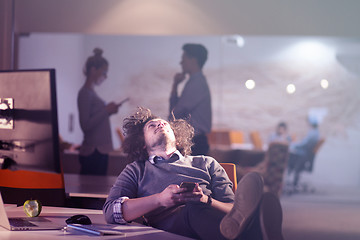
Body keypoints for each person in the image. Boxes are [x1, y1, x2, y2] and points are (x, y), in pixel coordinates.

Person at [103, 107, 284, 240]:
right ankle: (255, 233)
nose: (160, 123)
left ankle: (245, 232)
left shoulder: (207, 163)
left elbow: (234, 210)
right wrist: (159, 199)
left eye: (164, 123)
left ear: (176, 135)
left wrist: (206, 200)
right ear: (142, 143)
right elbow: (111, 211)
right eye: (152, 125)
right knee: (192, 208)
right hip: (171, 227)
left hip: (212, 217)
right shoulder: (136, 170)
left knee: (198, 206)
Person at [77, 48, 123, 175]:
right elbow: (85, 125)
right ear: (93, 70)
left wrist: (107, 111)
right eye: (104, 72)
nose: (105, 76)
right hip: (93, 152)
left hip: (98, 151)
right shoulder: (85, 93)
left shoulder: (91, 93)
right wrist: (106, 111)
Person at [169, 43, 212, 156]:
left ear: (193, 60)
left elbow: (175, 113)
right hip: (194, 141)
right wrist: (175, 85)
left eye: (184, 58)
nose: (181, 63)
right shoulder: (195, 82)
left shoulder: (196, 83)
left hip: (195, 142)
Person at [287, 115, 320, 188]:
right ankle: (292, 182)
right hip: (305, 155)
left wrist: (293, 145)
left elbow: (303, 144)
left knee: (288, 157)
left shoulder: (312, 133)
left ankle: (289, 181)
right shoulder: (316, 132)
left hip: (302, 156)